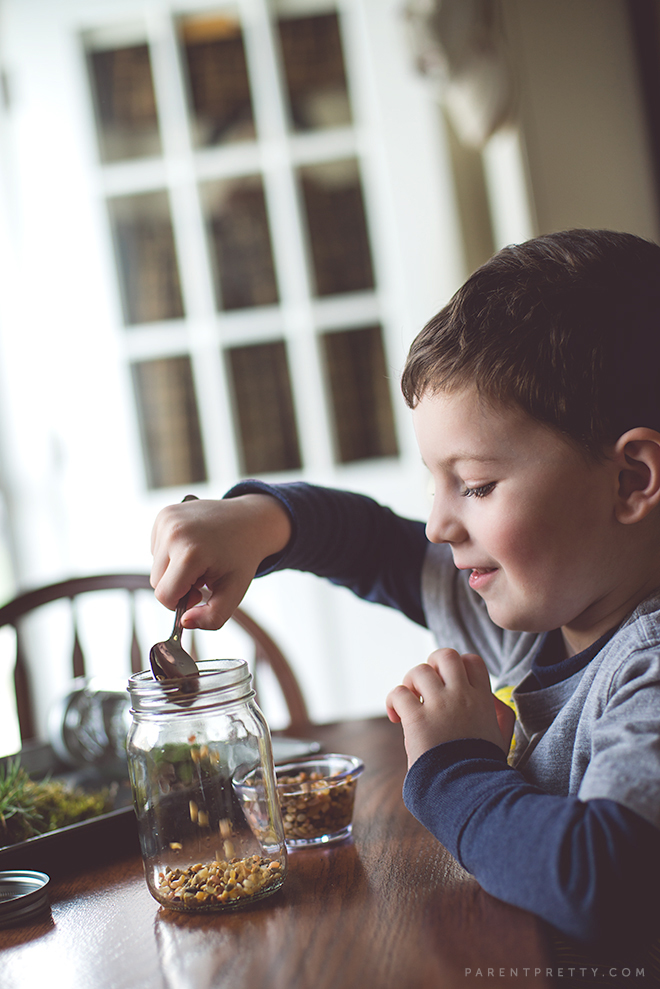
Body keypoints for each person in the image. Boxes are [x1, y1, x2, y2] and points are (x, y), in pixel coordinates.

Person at [150, 229, 660, 949]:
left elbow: (601, 879)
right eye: (436, 481)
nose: (437, 522)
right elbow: (372, 545)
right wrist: (257, 521)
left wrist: (454, 767)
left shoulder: (648, 668)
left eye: (476, 484)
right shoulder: (531, 614)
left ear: (631, 479)